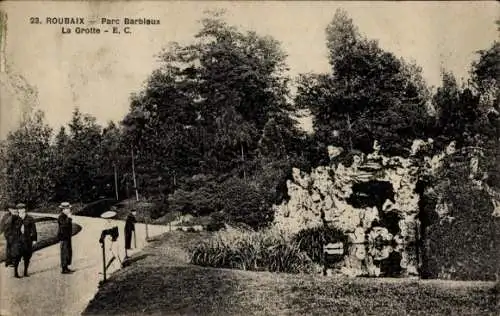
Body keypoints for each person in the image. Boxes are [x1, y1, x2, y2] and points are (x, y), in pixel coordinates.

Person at [13, 204, 37, 277]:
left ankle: (25, 272)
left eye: (23, 209)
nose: (21, 210)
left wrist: (34, 239)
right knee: (17, 257)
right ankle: (16, 273)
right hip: (18, 241)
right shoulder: (15, 219)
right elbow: (13, 230)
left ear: (25, 209)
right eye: (20, 209)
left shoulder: (30, 219)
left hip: (27, 240)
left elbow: (34, 230)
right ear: (18, 210)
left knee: (27, 257)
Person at [58, 202, 73, 274]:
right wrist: (69, 218)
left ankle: (66, 266)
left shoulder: (66, 216)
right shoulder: (61, 216)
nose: (69, 210)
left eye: (69, 209)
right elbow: (64, 225)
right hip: (63, 237)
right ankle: (64, 268)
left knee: (68, 251)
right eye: (68, 209)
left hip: (67, 236)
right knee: (64, 252)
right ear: (63, 209)